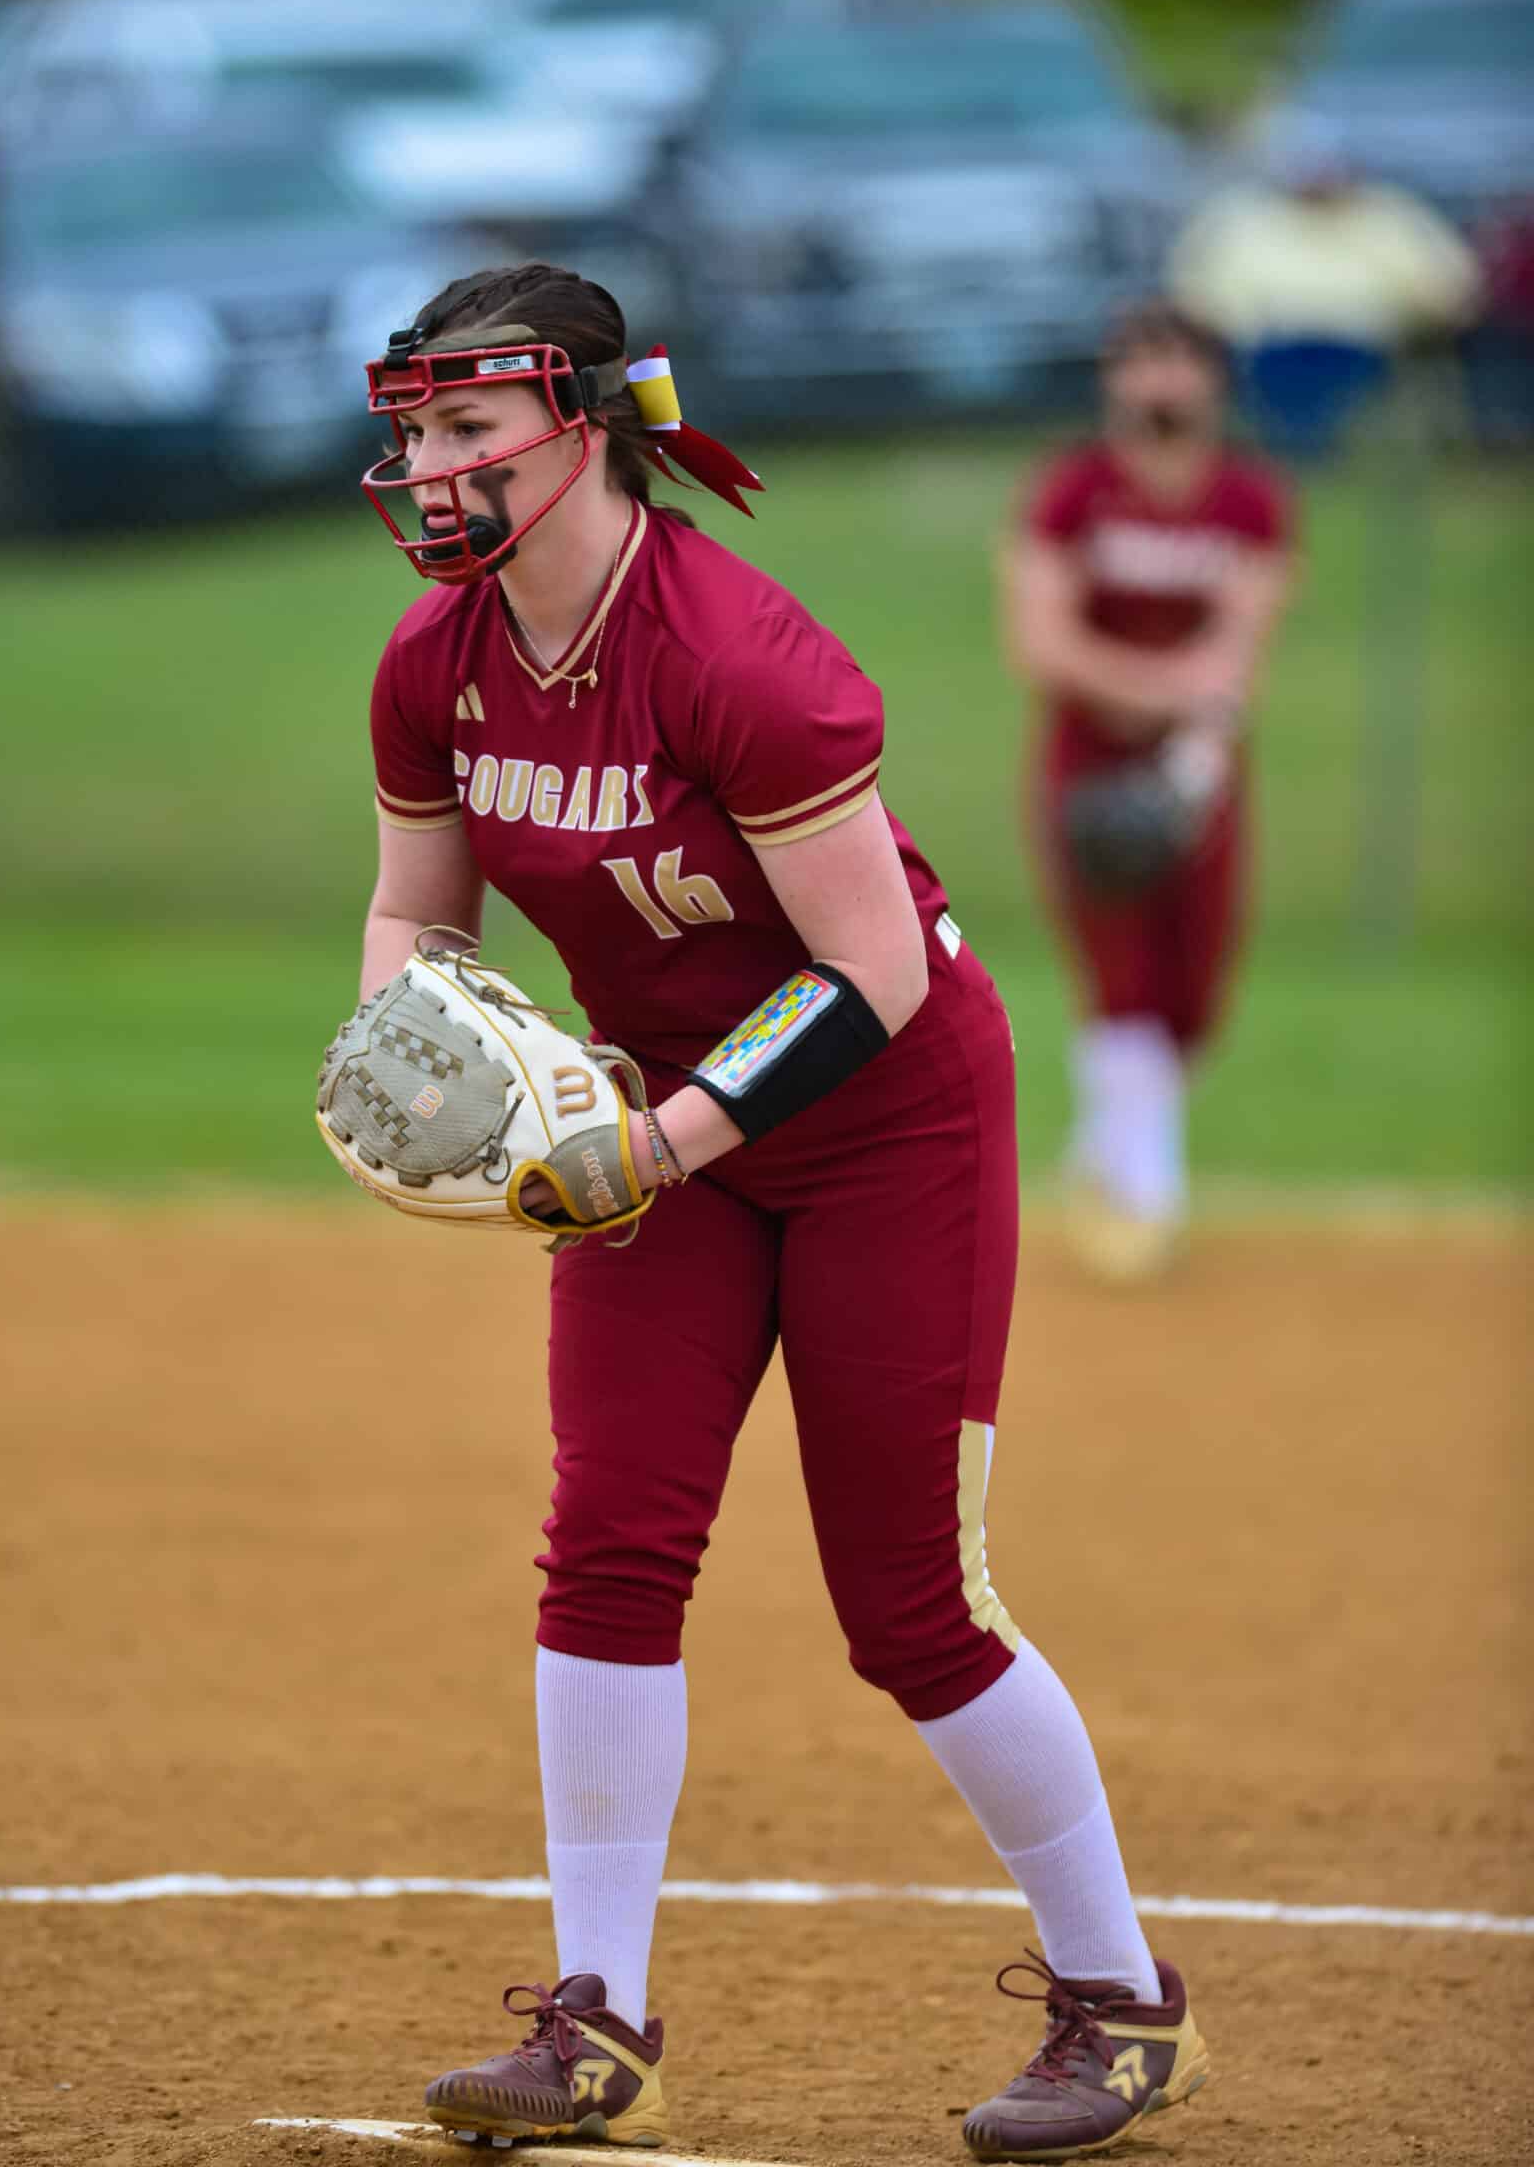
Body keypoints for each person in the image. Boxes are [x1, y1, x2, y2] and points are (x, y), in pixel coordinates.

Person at [352, 259, 1209, 2161]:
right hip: (654, 1122)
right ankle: (596, 2027)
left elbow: (872, 974)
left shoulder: (739, 656)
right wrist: (401, 1036)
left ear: (584, 429)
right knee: (610, 1547)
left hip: (873, 1120)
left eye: (469, 426)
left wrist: (652, 1149)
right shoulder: (439, 661)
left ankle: (1119, 2004)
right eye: (411, 428)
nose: (429, 465)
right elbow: (420, 908)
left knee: (909, 1605)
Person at [1003, 302, 1297, 1281]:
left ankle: (1104, 1152)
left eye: (1180, 363)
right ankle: (1145, 1200)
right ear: (1112, 381)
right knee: (1121, 980)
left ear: (1214, 381)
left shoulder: (1248, 499)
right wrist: (1165, 691)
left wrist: (1195, 730)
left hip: (1200, 771)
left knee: (1194, 998)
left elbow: (1242, 642)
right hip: (1087, 765)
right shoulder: (1074, 491)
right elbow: (1041, 641)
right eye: (1140, 362)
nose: (1160, 384)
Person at [1167, 114, 1480, 463]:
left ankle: (1316, 453)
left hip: (1364, 347)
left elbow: (1446, 284)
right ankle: (1297, 453)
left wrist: (1418, 318)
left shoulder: (1388, 218)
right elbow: (1198, 286)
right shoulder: (1244, 220)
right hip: (1268, 347)